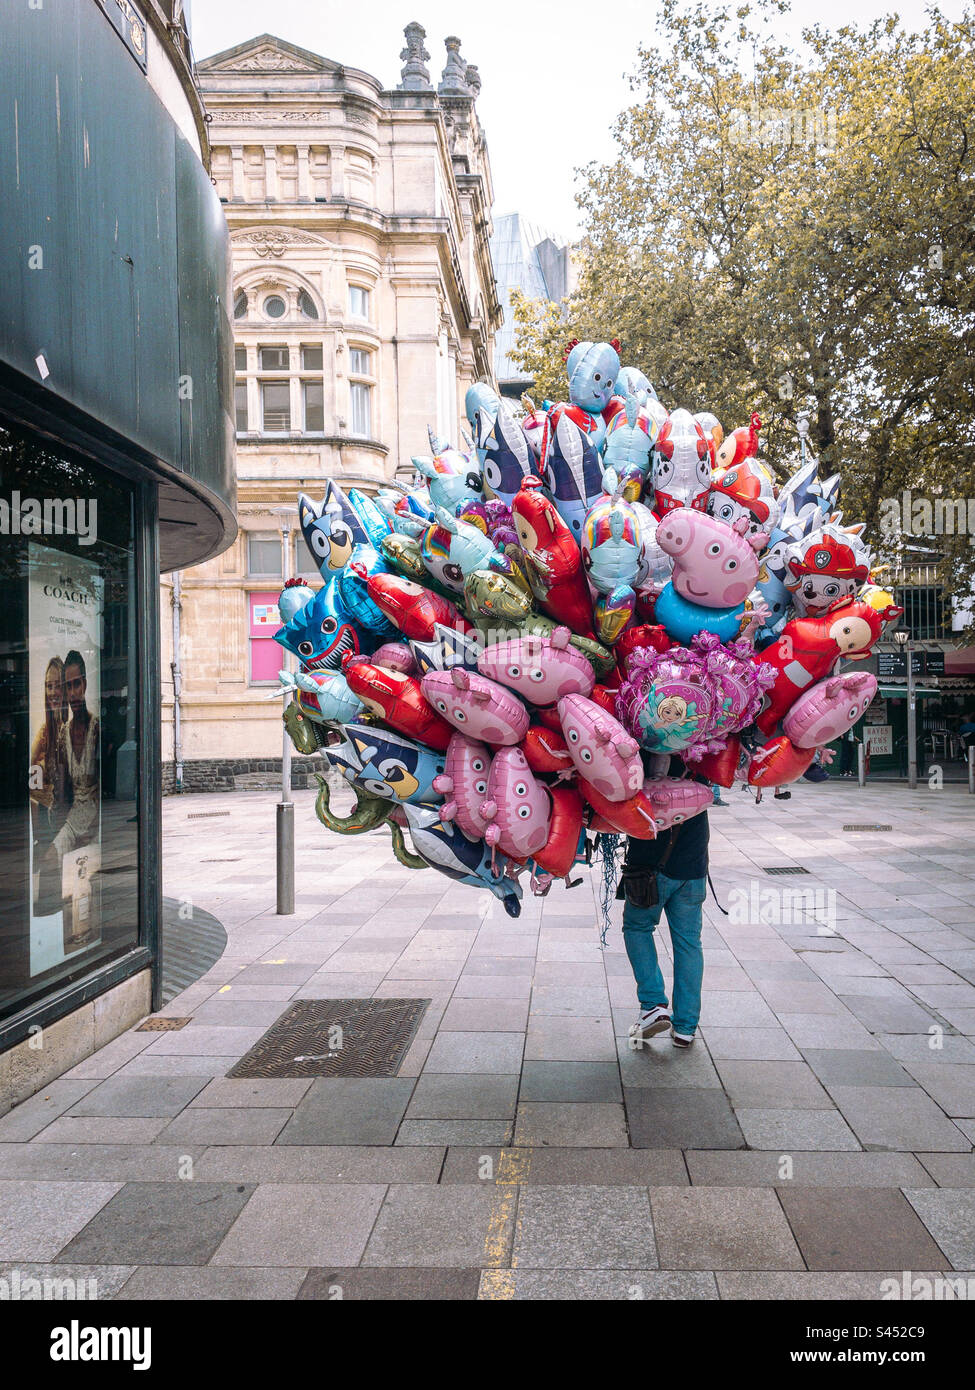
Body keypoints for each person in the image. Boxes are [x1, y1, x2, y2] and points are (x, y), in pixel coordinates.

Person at [618, 756, 709, 1049]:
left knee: (637, 928)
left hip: (649, 868)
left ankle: (653, 1003)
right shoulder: (702, 750)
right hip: (693, 869)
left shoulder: (642, 752)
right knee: (688, 943)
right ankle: (685, 1027)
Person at [52, 650, 100, 859]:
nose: (73, 693)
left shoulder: (97, 728)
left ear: (85, 685)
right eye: (68, 686)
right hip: (73, 821)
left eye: (77, 684)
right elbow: (63, 791)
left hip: (96, 821)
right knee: (51, 857)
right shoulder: (64, 734)